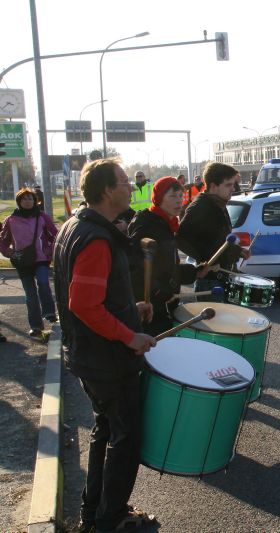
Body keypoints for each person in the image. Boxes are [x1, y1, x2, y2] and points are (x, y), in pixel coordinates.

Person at [52, 158, 157, 533]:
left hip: (90, 355)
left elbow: (92, 295)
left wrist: (130, 309)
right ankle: (111, 518)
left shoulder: (74, 226)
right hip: (107, 360)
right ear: (108, 190)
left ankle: (94, 513)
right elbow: (83, 304)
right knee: (125, 438)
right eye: (124, 182)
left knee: (107, 431)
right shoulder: (96, 238)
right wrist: (130, 336)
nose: (130, 187)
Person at [128, 177, 212, 335]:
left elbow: (167, 269)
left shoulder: (166, 224)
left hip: (162, 306)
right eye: (172, 196)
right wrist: (161, 292)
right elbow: (135, 270)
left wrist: (195, 272)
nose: (179, 200)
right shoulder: (148, 227)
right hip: (150, 312)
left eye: (180, 196)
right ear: (159, 198)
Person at [177, 162, 250, 298]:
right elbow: (181, 238)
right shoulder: (200, 207)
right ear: (213, 186)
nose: (233, 189)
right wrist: (206, 260)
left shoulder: (218, 204)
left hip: (220, 279)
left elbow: (217, 240)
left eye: (233, 184)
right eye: (228, 185)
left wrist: (238, 251)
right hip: (210, 282)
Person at [0, 188, 59, 340]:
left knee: (43, 282)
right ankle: (36, 326)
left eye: (30, 199)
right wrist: (9, 252)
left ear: (35, 201)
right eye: (24, 199)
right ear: (19, 201)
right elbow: (3, 241)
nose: (27, 201)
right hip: (22, 261)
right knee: (30, 294)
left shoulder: (42, 217)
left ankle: (49, 312)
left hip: (41, 259)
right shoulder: (11, 220)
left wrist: (49, 249)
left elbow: (55, 235)